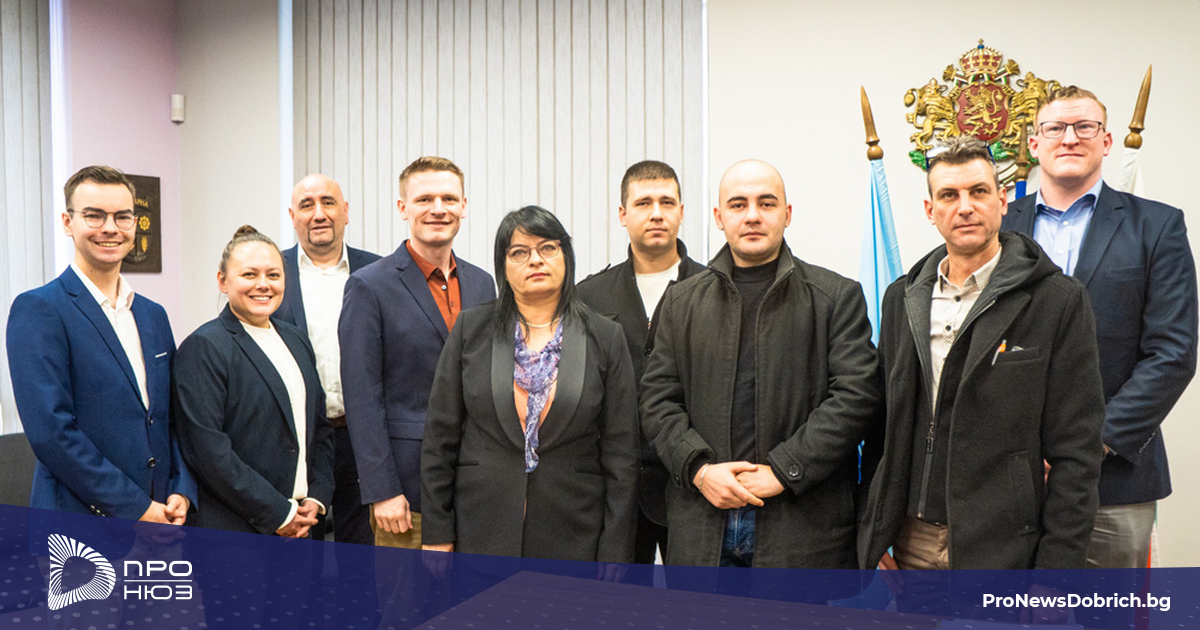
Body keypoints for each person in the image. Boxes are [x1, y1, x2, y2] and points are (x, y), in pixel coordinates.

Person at [860, 137, 1105, 575]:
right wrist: (873, 529)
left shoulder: (1057, 300)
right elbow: (883, 428)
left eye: (978, 191)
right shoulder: (902, 298)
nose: (965, 207)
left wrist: (1056, 573)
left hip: (1005, 549)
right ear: (930, 210)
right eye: (949, 196)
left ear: (1002, 200)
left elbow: (1077, 452)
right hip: (912, 542)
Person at [640, 159, 883, 569]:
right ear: (719, 217)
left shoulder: (835, 297)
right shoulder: (681, 302)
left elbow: (857, 397)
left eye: (766, 204)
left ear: (787, 214)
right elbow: (656, 400)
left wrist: (785, 470)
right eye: (738, 205)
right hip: (703, 527)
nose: (752, 215)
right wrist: (699, 470)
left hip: (801, 528)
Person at [1002, 86, 1198, 569]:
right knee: (1004, 607)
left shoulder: (1157, 226)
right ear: (1034, 144)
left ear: (1106, 141)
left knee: (1106, 609)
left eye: (1084, 127)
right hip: (1006, 476)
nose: (1070, 138)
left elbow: (1173, 352)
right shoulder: (998, 226)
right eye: (1055, 128)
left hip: (1114, 480)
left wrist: (1090, 445)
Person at [421, 205, 638, 566]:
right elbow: (439, 438)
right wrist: (438, 531)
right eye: (519, 252)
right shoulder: (472, 329)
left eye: (547, 248)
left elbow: (622, 455)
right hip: (480, 528)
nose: (535, 260)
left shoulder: (605, 336)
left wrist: (615, 547)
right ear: (503, 267)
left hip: (574, 532)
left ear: (566, 257)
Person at [7, 165, 195, 529]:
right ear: (68, 222)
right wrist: (135, 507)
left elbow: (170, 417)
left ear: (134, 224)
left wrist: (181, 489)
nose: (110, 228)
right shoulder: (39, 309)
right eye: (94, 215)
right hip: (80, 523)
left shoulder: (153, 315)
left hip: (163, 514)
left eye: (122, 216)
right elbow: (51, 433)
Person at [173, 226, 334, 627]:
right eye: (249, 274)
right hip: (236, 537)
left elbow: (318, 429)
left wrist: (317, 498)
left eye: (273, 275)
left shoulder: (295, 339)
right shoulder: (205, 347)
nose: (264, 284)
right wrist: (279, 512)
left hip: (301, 528)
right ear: (222, 280)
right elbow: (208, 451)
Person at [340, 156, 495, 550]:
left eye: (449, 198)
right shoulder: (368, 286)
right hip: (406, 493)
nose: (438, 209)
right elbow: (361, 396)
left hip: (477, 488)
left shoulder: (482, 284)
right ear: (403, 208)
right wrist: (382, 490)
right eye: (424, 199)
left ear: (464, 206)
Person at [577, 160, 707, 565]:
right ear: (623, 214)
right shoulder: (588, 297)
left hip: (694, 486)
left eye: (667, 202)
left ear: (682, 212)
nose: (656, 213)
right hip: (614, 491)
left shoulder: (715, 291)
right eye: (643, 203)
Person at [275, 173, 381, 545]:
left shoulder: (379, 273)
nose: (319, 214)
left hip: (362, 438)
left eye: (328, 203)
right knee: (300, 553)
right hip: (293, 441)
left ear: (346, 211)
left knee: (362, 554)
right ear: (293, 216)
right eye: (307, 205)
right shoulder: (271, 274)